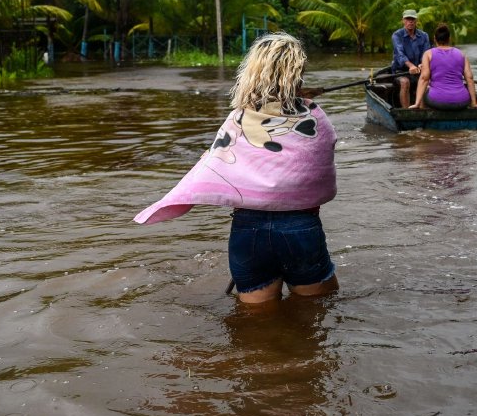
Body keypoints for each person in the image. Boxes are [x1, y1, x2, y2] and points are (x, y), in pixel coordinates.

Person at [134, 32, 339, 304]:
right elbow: (320, 165)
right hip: (300, 228)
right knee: (317, 311)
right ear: (297, 72)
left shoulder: (238, 119)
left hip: (248, 232)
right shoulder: (314, 117)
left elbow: (214, 163)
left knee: (256, 326)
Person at [409, 23, 477, 110]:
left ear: (435, 39)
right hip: (462, 101)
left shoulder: (428, 54)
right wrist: (473, 103)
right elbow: (469, 78)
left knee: (426, 87)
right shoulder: (461, 54)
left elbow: (424, 78)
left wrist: (416, 103)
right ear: (449, 39)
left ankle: (421, 109)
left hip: (438, 101)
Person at [391, 8, 431, 107]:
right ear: (403, 21)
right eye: (408, 19)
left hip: (418, 71)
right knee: (405, 82)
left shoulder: (424, 35)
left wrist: (423, 64)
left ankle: (422, 112)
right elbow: (400, 54)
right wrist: (410, 66)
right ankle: (407, 112)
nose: (410, 21)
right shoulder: (397, 35)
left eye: (412, 19)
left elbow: (426, 53)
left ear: (416, 21)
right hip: (400, 71)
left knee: (426, 82)